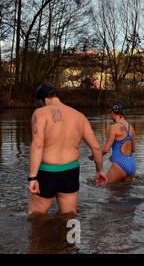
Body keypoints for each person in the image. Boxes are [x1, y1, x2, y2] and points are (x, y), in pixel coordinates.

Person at [28, 83, 107, 216]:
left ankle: (45, 236)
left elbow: (38, 145)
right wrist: (99, 171)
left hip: (48, 172)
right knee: (70, 216)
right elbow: (95, 147)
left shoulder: (40, 113)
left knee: (36, 218)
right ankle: (70, 237)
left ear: (43, 99)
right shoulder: (79, 116)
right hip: (71, 171)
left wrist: (32, 177)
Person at [92, 101, 137, 184]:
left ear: (113, 111)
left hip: (120, 165)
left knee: (101, 186)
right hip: (132, 164)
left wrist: (95, 155)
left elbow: (105, 149)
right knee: (123, 193)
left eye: (110, 112)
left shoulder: (114, 127)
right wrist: (115, 155)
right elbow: (133, 149)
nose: (110, 114)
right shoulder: (131, 127)